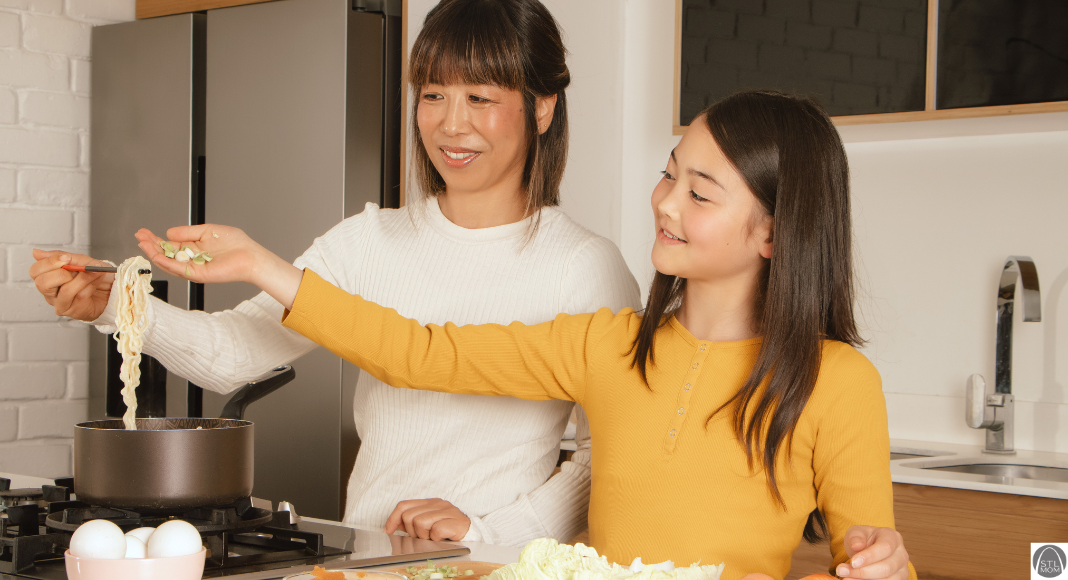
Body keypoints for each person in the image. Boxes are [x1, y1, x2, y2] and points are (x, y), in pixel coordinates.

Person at [139, 90, 916, 580]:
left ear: (775, 234)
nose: (665, 203)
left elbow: (868, 559)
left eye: (700, 192)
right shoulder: (608, 346)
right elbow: (421, 351)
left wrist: (889, 565)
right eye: (668, 172)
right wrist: (261, 266)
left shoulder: (837, 381)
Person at [29, 0, 640, 547]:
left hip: (492, 565)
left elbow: (602, 459)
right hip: (362, 554)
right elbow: (233, 354)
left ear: (541, 108)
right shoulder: (368, 242)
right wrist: (115, 304)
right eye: (432, 94)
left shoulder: (584, 267)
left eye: (480, 97)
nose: (451, 124)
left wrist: (487, 532)